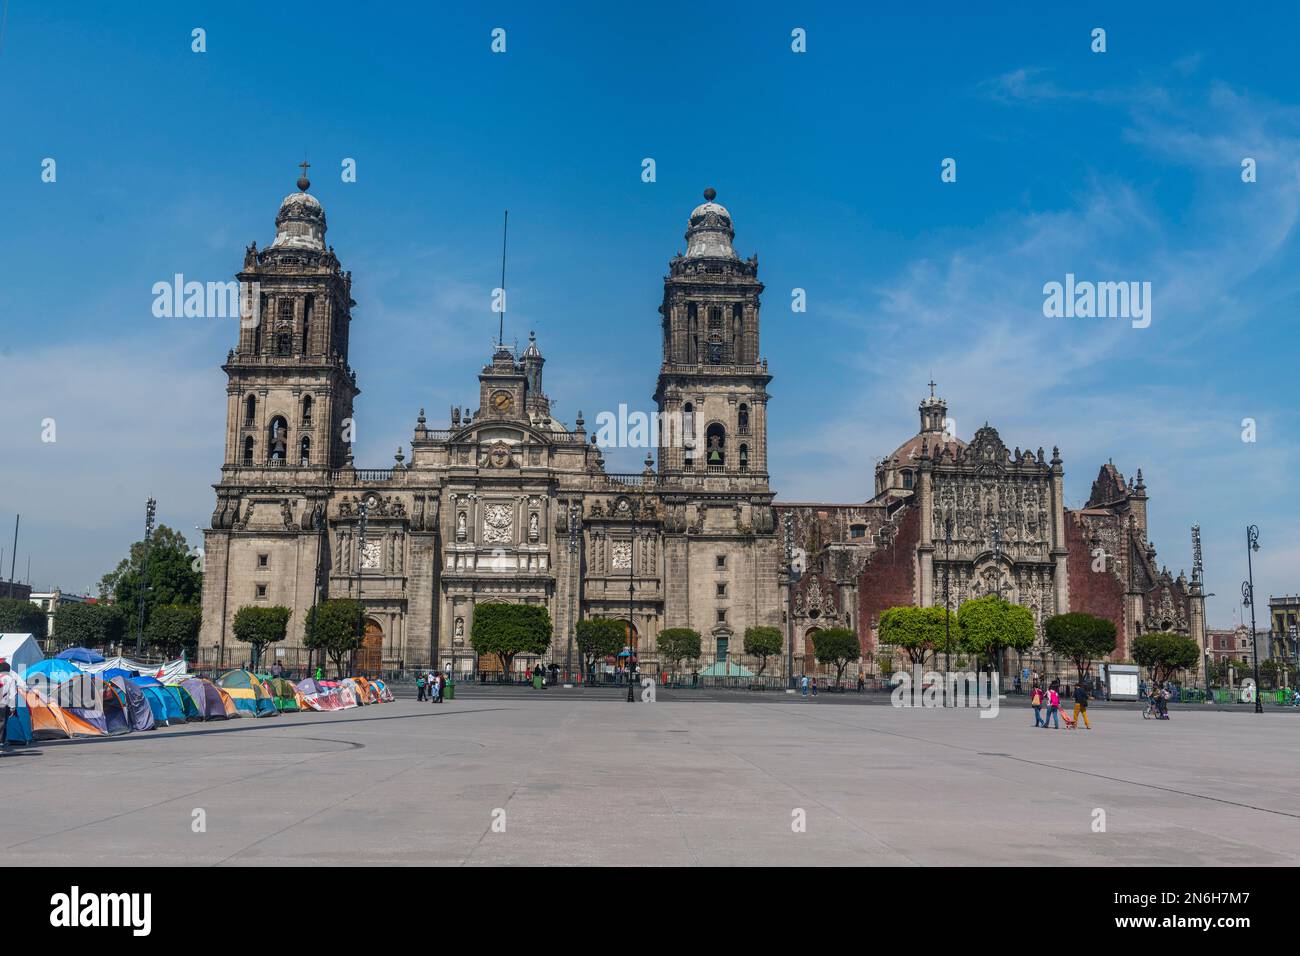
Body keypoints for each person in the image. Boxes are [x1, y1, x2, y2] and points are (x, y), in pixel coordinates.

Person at [0, 661, 18, 750]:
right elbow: (12, 695)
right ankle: (1, 743)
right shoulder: (10, 679)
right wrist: (12, 707)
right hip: (3, 705)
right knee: (2, 725)